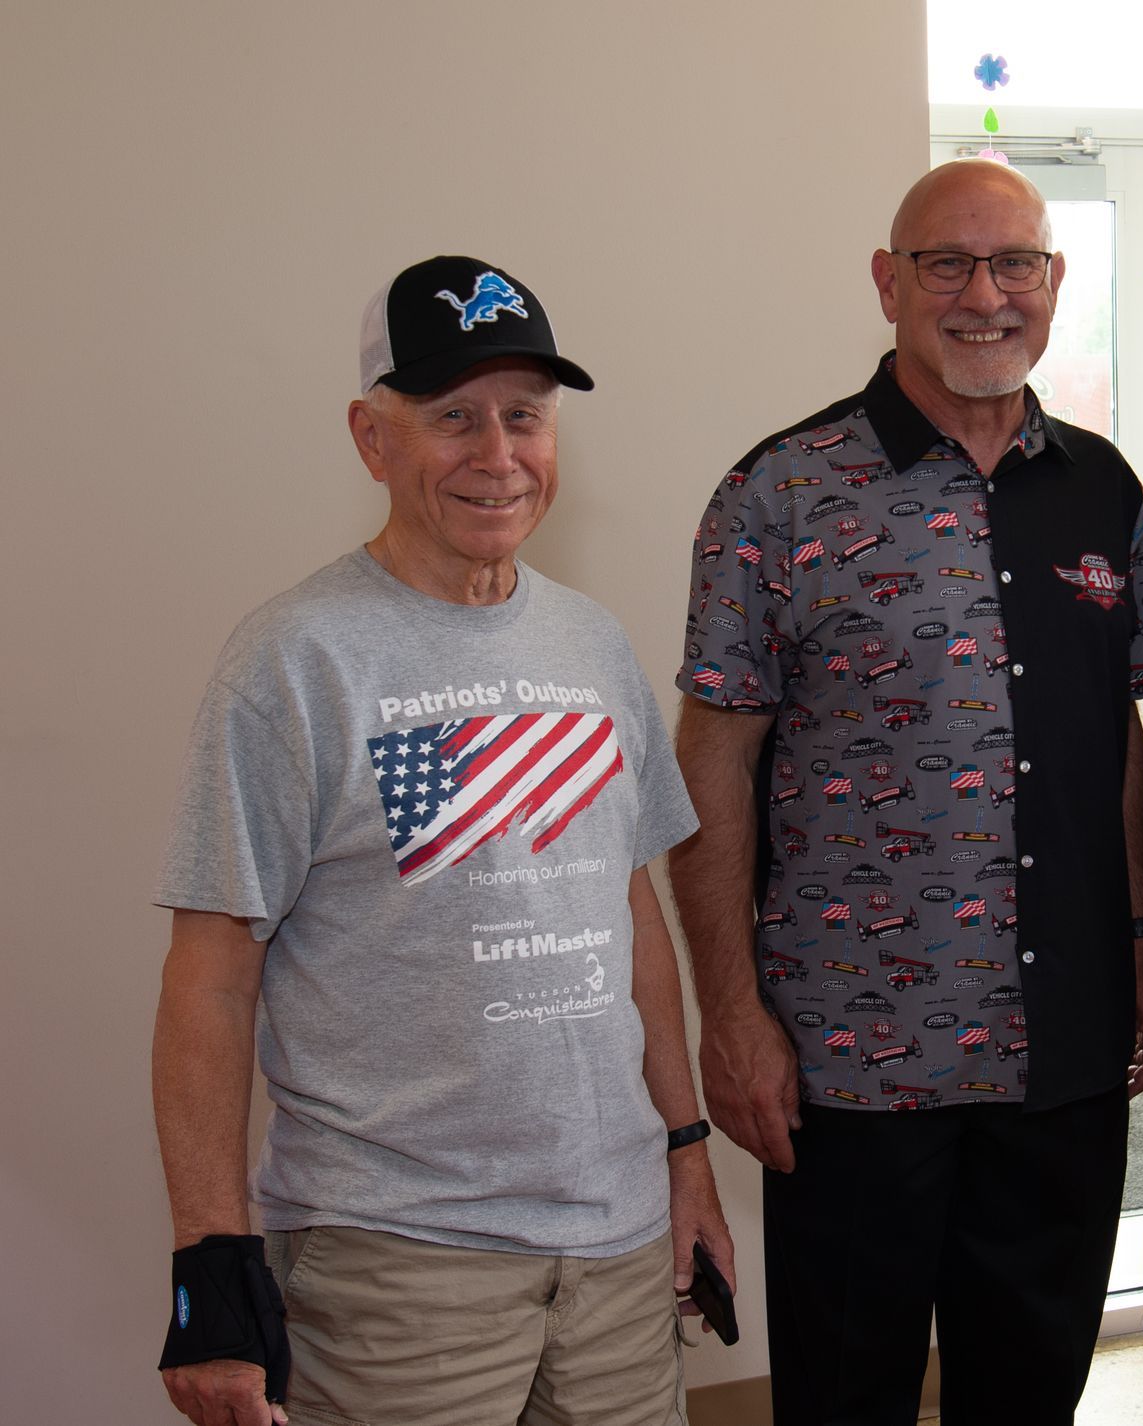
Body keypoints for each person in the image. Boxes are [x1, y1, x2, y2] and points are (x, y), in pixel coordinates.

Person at [151, 255, 732, 1426]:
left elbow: (632, 922)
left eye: (525, 415)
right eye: (453, 417)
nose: (498, 453)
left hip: (617, 1261)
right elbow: (211, 978)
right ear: (372, 438)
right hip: (396, 1271)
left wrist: (683, 1150)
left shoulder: (594, 646)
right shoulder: (295, 661)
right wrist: (209, 1267)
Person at [668, 160, 1143, 1426]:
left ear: (1055, 283)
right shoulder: (778, 494)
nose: (983, 295)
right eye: (946, 263)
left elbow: (1116, 740)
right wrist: (731, 1015)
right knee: (846, 1398)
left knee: (1032, 1392)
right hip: (851, 1062)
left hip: (1058, 1054)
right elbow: (711, 762)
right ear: (888, 283)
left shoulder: (1103, 490)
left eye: (1017, 265)